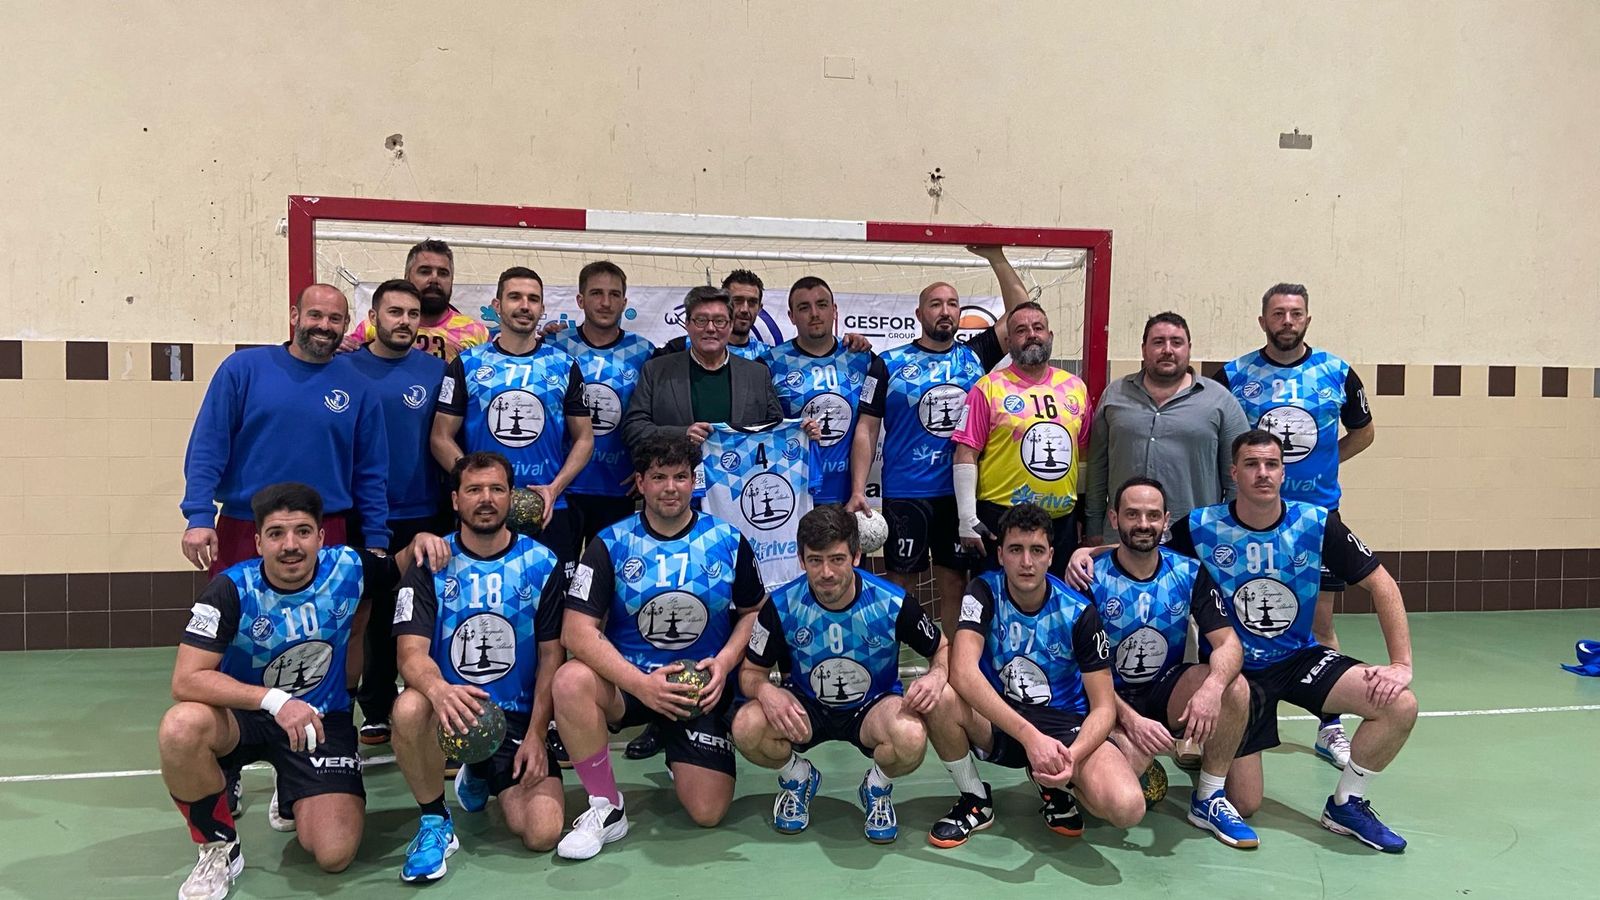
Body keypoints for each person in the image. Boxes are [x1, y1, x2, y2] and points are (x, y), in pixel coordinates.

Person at [1068, 431, 1418, 852]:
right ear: (1235, 473)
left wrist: (1400, 663)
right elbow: (1144, 544)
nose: (1263, 473)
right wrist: (1087, 554)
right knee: (1247, 802)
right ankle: (1207, 767)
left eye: (1271, 464)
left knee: (1400, 705)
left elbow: (1383, 586)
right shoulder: (1201, 527)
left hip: (1299, 659)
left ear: (1284, 472)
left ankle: (1347, 802)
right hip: (1240, 672)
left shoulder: (1316, 522)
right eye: (1252, 464)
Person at [156, 483, 444, 900]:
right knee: (180, 727)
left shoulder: (348, 566)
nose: (290, 545)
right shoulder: (229, 590)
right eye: (276, 534)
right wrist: (275, 700)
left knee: (335, 853)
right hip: (245, 719)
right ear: (258, 542)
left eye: (303, 532)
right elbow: (186, 680)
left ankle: (293, 788)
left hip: (321, 721)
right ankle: (218, 847)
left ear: (321, 537)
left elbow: (397, 565)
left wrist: (420, 540)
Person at [552, 434, 766, 861]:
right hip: (631, 685)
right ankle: (606, 806)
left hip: (700, 692)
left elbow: (752, 613)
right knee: (571, 679)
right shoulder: (609, 543)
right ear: (641, 483)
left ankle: (679, 751)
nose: (671, 487)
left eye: (681, 477)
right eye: (659, 477)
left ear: (694, 481)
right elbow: (575, 632)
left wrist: (724, 663)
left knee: (707, 811)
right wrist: (642, 685)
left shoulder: (726, 539)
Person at [919, 503, 1143, 849]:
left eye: (1036, 550)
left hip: (1063, 728)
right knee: (941, 696)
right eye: (1016, 550)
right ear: (1000, 554)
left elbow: (1103, 708)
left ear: (1051, 556)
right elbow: (963, 672)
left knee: (1127, 807)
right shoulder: (982, 591)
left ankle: (1055, 785)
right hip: (1000, 721)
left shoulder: (1079, 612)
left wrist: (1073, 757)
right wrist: (1029, 737)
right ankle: (974, 798)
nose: (1026, 562)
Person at [389, 452, 568, 882]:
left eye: (496, 489)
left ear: (511, 497)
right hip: (449, 711)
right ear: (455, 500)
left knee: (542, 832)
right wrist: (440, 693)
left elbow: (551, 658)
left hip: (516, 719)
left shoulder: (542, 564)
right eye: (473, 490)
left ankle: (481, 771)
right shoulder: (430, 562)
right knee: (410, 708)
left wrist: (539, 736)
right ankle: (435, 821)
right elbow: (410, 654)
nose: (485, 499)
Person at [1216, 283, 1375, 767]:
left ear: (1308, 319)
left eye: (1296, 313)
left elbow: (1364, 433)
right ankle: (1231, 715)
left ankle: (1330, 727)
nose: (1288, 321)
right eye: (1278, 314)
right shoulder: (1234, 374)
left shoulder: (1336, 371)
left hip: (1316, 517)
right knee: (1237, 616)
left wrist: (1326, 465)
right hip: (1247, 521)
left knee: (1319, 622)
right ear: (1262, 320)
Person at [734, 505, 947, 843]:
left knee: (910, 738)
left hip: (872, 708)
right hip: (807, 708)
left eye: (836, 559)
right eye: (815, 560)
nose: (826, 573)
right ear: (801, 560)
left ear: (856, 556)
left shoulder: (891, 602)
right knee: (745, 726)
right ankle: (797, 777)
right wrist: (765, 691)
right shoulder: (781, 605)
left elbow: (942, 648)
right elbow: (750, 672)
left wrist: (936, 676)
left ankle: (876, 787)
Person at [847, 245, 1032, 634]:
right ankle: (893, 664)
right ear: (919, 315)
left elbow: (1021, 312)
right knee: (900, 585)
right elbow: (866, 428)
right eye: (935, 303)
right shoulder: (887, 363)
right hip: (906, 494)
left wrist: (995, 256)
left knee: (955, 584)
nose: (944, 310)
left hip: (958, 497)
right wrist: (858, 489)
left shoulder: (975, 356)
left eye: (952, 303)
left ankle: (949, 669)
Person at [1088, 477, 1258, 849]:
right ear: (1115, 519)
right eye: (1132, 514)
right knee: (1136, 789)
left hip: (1163, 689)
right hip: (1102, 699)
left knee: (1234, 686)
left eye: (1152, 515)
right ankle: (1114, 750)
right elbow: (1076, 670)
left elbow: (1229, 643)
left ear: (1166, 521)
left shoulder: (1188, 572)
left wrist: (1212, 688)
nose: (1143, 524)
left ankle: (1208, 799)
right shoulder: (1089, 578)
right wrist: (1129, 722)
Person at [181, 284, 390, 576]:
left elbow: (371, 471)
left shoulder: (360, 387)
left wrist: (376, 537)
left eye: (334, 318)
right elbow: (207, 448)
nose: (324, 326)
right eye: (315, 315)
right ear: (295, 316)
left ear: (345, 324)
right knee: (237, 620)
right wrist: (199, 516)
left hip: (325, 531)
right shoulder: (242, 369)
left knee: (321, 623)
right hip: (244, 526)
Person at [431, 267, 595, 571]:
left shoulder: (563, 365)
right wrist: (478, 485)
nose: (524, 306)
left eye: (533, 299)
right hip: (483, 510)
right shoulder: (468, 363)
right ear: (497, 305)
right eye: (515, 297)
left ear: (542, 309)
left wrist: (555, 488)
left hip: (548, 508)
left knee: (554, 605)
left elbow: (585, 438)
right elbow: (440, 437)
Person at [344, 279, 448, 745]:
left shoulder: (438, 371)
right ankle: (377, 707)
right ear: (375, 316)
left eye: (411, 314)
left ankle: (430, 700)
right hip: (365, 511)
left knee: (425, 611)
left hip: (427, 508)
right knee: (373, 611)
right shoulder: (345, 368)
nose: (404, 321)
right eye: (394, 312)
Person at [1081, 311, 1249, 545]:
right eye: (1158, 342)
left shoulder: (1220, 401)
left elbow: (1237, 478)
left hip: (1195, 539)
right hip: (1122, 538)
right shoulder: (1115, 395)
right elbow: (1098, 469)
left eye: (1176, 342)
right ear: (1143, 349)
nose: (1167, 349)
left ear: (1189, 348)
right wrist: (1093, 528)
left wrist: (1229, 532)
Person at [951, 302, 1092, 576]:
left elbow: (1084, 455)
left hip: (1060, 522)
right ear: (1008, 340)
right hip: (1001, 519)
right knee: (997, 599)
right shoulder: (988, 387)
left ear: (1049, 336)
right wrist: (967, 518)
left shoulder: (1076, 387)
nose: (1031, 334)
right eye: (1021, 330)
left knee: (1058, 602)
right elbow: (965, 453)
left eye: (1038, 328)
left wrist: (1083, 515)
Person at [544, 260, 657, 546]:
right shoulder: (555, 346)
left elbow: (656, 415)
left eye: (614, 294)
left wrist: (648, 462)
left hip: (618, 487)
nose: (605, 302)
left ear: (625, 301)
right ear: (580, 300)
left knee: (609, 580)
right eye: (596, 293)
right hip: (563, 487)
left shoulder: (644, 352)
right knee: (560, 576)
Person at [767, 276, 888, 505]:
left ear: (834, 310)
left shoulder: (863, 359)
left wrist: (858, 491)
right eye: (804, 307)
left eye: (822, 305)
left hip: (849, 495)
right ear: (791, 316)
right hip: (793, 496)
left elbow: (871, 426)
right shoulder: (771, 364)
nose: (814, 313)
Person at [621, 286, 784, 454]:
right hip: (678, 477)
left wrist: (805, 430)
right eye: (701, 320)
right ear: (687, 324)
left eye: (719, 321)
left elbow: (779, 430)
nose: (711, 328)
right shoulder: (656, 371)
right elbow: (633, 429)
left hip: (738, 478)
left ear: (730, 325)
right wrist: (681, 434)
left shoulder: (757, 374)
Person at [341, 239, 489, 362]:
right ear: (407, 276)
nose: (434, 279)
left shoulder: (475, 331)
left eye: (443, 273)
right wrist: (336, 345)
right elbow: (346, 356)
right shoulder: (374, 326)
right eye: (425, 271)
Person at [655, 270, 775, 363]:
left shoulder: (769, 355)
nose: (744, 309)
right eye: (737, 300)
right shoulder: (680, 347)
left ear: (760, 308)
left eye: (752, 302)